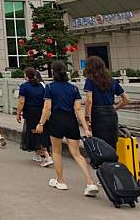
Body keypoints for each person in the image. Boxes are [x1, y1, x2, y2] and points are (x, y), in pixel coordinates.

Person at [35, 61, 99, 197]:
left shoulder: (50, 87)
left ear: (53, 72)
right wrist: (86, 128)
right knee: (76, 153)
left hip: (56, 120)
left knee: (56, 152)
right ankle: (90, 182)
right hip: (71, 121)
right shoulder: (73, 88)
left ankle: (61, 181)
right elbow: (78, 109)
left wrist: (41, 123)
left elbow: (47, 107)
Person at [84, 56, 129, 150]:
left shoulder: (90, 80)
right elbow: (126, 99)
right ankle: (113, 163)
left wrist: (87, 118)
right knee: (112, 142)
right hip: (111, 113)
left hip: (98, 114)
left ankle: (103, 163)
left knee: (100, 143)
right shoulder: (112, 81)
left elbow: (89, 100)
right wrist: (115, 108)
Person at [17, 67, 53, 167]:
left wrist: (18, 112)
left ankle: (47, 156)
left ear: (27, 75)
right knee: (41, 131)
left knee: (35, 132)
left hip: (31, 112)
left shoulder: (24, 86)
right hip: (41, 112)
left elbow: (21, 101)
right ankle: (37, 154)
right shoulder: (41, 86)